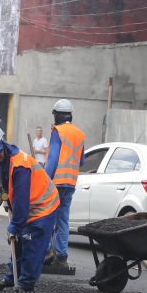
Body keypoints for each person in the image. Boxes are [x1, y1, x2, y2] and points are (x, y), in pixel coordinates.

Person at [0, 125, 59, 293]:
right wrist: (6, 199)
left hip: (43, 206)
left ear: (2, 144)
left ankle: (25, 285)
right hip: (30, 204)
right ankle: (11, 278)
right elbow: (9, 187)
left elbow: (22, 201)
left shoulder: (20, 165)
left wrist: (15, 226)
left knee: (30, 243)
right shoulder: (4, 159)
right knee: (17, 242)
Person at [44, 99, 85, 271]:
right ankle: (62, 257)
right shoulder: (80, 134)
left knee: (46, 218)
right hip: (70, 183)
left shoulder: (57, 131)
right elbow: (81, 161)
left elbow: (53, 158)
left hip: (56, 183)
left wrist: (44, 179)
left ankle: (46, 254)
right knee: (63, 220)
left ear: (57, 115)